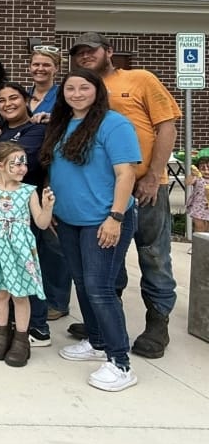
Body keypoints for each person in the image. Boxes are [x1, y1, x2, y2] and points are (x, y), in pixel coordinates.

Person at [69, 32, 181, 359]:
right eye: (80, 52)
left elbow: (167, 126)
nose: (85, 56)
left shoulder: (140, 79)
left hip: (145, 185)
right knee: (107, 256)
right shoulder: (83, 89)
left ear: (109, 51)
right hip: (104, 189)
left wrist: (152, 176)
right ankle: (106, 321)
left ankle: (157, 323)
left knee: (153, 253)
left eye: (91, 50)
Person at [40, 68, 142, 392]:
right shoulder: (61, 124)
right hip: (69, 220)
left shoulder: (114, 124)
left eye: (84, 88)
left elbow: (126, 174)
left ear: (97, 90)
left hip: (103, 219)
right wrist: (51, 207)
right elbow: (56, 168)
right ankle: (97, 342)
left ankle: (120, 362)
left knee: (100, 288)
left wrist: (115, 217)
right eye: (70, 88)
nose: (77, 94)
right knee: (83, 284)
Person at [0, 81, 67, 342]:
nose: (8, 104)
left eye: (14, 98)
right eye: (1, 100)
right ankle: (7, 316)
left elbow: (7, 161)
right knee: (1, 267)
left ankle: (37, 326)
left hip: (21, 213)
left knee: (27, 270)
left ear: (26, 100)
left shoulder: (35, 130)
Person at [0, 143, 55, 367]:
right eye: (16, 163)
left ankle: (21, 340)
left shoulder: (28, 191)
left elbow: (42, 223)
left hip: (20, 250)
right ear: (0, 165)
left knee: (20, 295)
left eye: (24, 163)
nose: (23, 168)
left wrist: (47, 208)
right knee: (0, 294)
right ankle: (2, 335)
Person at [28, 46, 62, 120]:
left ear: (56, 68)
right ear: (29, 67)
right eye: (36, 64)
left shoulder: (62, 96)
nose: (40, 69)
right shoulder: (24, 96)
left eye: (46, 65)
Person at [186, 155, 209, 237]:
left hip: (207, 205)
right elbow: (188, 182)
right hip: (198, 206)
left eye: (208, 167)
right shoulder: (197, 178)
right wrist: (193, 174)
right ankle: (198, 243)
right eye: (202, 168)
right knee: (199, 227)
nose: (206, 170)